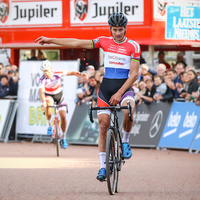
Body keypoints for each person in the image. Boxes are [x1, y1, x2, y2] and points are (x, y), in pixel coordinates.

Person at [35, 12, 140, 182]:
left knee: (129, 111)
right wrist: (51, 40)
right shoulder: (104, 41)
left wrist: (120, 93)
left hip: (124, 89)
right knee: (103, 126)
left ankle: (126, 141)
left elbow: (134, 75)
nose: (118, 33)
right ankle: (102, 166)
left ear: (125, 29)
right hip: (106, 89)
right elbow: (76, 42)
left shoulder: (133, 46)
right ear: (110, 29)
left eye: (121, 29)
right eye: (115, 30)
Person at [39, 60, 88, 148]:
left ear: (51, 69)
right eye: (44, 72)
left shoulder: (57, 72)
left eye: (47, 71)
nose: (46, 73)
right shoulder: (42, 79)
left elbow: (70, 73)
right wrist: (43, 103)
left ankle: (64, 137)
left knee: (63, 116)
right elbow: (41, 92)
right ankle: (49, 124)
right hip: (49, 96)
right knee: (48, 103)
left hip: (59, 97)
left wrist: (80, 74)